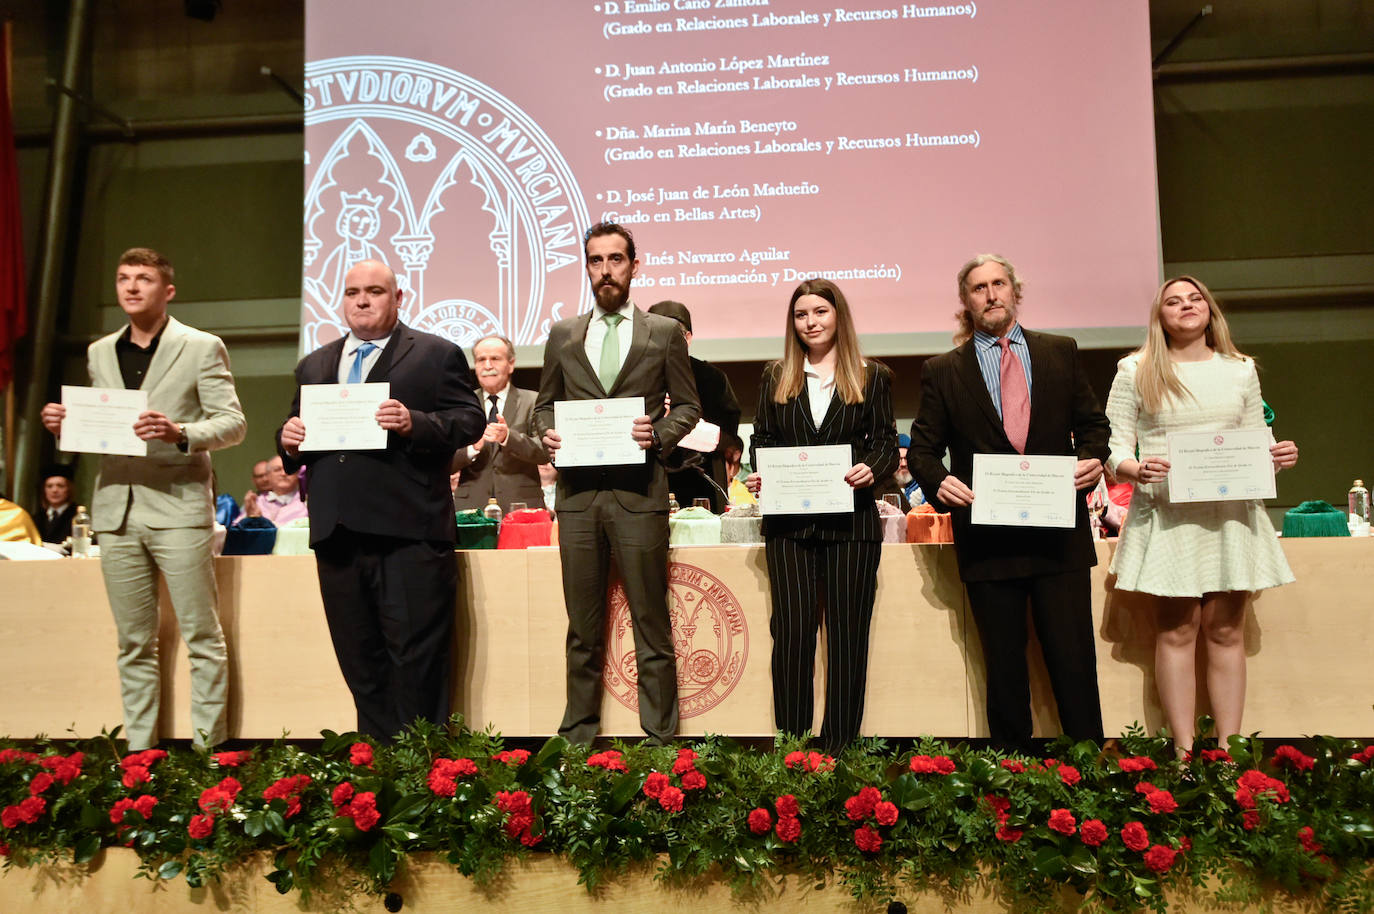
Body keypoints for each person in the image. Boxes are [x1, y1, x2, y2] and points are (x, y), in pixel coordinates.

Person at [40, 247, 245, 750]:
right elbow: (105, 428)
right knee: (133, 642)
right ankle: (139, 756)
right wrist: (65, 426)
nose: (132, 287)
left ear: (167, 290)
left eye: (144, 278)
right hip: (116, 508)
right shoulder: (99, 351)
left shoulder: (200, 346)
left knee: (201, 635)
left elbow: (233, 424)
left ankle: (207, 752)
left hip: (177, 505)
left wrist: (181, 433)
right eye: (123, 278)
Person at [908, 253, 1109, 754]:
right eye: (978, 288)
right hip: (988, 540)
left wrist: (1092, 459)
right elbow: (925, 450)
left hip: (1058, 534)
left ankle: (1090, 775)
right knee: (1003, 667)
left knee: (1074, 661)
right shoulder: (943, 371)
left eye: (999, 284)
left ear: (1015, 291)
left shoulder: (1060, 352)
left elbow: (1093, 426)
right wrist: (939, 482)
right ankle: (1010, 780)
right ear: (966, 301)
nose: (991, 294)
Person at [278, 259, 484, 740]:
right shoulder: (315, 364)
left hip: (409, 535)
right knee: (360, 661)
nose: (362, 300)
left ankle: (424, 773)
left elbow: (469, 420)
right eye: (352, 292)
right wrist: (286, 439)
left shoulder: (435, 354)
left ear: (398, 298)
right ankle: (378, 770)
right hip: (338, 536)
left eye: (374, 291)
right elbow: (295, 435)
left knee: (417, 662)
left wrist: (417, 422)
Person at [1104, 275, 1297, 755]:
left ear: (1210, 310)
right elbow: (1114, 446)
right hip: (1168, 516)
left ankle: (1230, 754)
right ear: (1159, 316)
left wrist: (1278, 454)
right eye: (1174, 300)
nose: (1186, 306)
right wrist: (1135, 468)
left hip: (1231, 515)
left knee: (1226, 630)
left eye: (1195, 299)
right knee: (1177, 629)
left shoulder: (1240, 369)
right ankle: (1184, 754)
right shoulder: (1136, 368)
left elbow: (1257, 436)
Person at [533, 222, 701, 746]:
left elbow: (690, 407)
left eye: (616, 259)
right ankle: (578, 738)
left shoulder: (663, 333)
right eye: (595, 261)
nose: (606, 270)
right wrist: (547, 435)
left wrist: (660, 435)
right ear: (587, 267)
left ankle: (660, 740)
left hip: (639, 493)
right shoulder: (562, 334)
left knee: (652, 623)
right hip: (579, 499)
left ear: (634, 264)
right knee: (582, 628)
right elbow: (542, 407)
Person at [744, 278, 898, 753]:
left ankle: (839, 748)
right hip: (790, 527)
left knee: (849, 638)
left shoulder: (872, 377)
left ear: (838, 317)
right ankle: (792, 748)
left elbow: (887, 444)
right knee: (791, 636)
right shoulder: (776, 376)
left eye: (820, 312)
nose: (810, 322)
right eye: (800, 315)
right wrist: (762, 473)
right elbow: (763, 441)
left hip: (852, 525)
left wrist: (868, 469)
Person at [647, 300, 742, 512]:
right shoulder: (635, 377)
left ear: (688, 338)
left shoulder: (712, 378)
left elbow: (728, 435)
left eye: (674, 333)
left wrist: (676, 421)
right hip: (650, 478)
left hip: (701, 478)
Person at [451, 334, 549, 513]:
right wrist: (472, 447)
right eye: (481, 360)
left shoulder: (533, 401)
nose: (488, 366)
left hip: (522, 505)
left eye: (495, 358)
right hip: (471, 508)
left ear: (511, 364)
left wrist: (508, 438)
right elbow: (444, 461)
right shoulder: (462, 404)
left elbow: (545, 451)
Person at [235, 455, 307, 526]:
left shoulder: (307, 503)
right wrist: (250, 519)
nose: (283, 474)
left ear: (297, 474)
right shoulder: (257, 502)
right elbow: (236, 527)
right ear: (268, 476)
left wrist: (261, 522)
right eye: (277, 470)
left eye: (288, 469)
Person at [36, 465, 76, 545]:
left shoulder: (77, 517)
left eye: (60, 486)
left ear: (68, 489)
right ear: (44, 490)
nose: (54, 490)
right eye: (49, 486)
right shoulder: (37, 518)